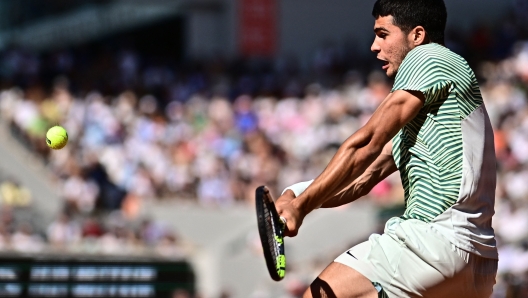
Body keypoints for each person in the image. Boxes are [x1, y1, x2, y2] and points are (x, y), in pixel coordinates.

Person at [275, 0, 498, 297]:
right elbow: (364, 177)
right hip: (476, 268)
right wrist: (298, 194)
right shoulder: (431, 116)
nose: (373, 46)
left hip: (434, 243)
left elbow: (367, 144)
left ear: (417, 36)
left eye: (382, 34)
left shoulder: (428, 57)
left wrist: (300, 207)